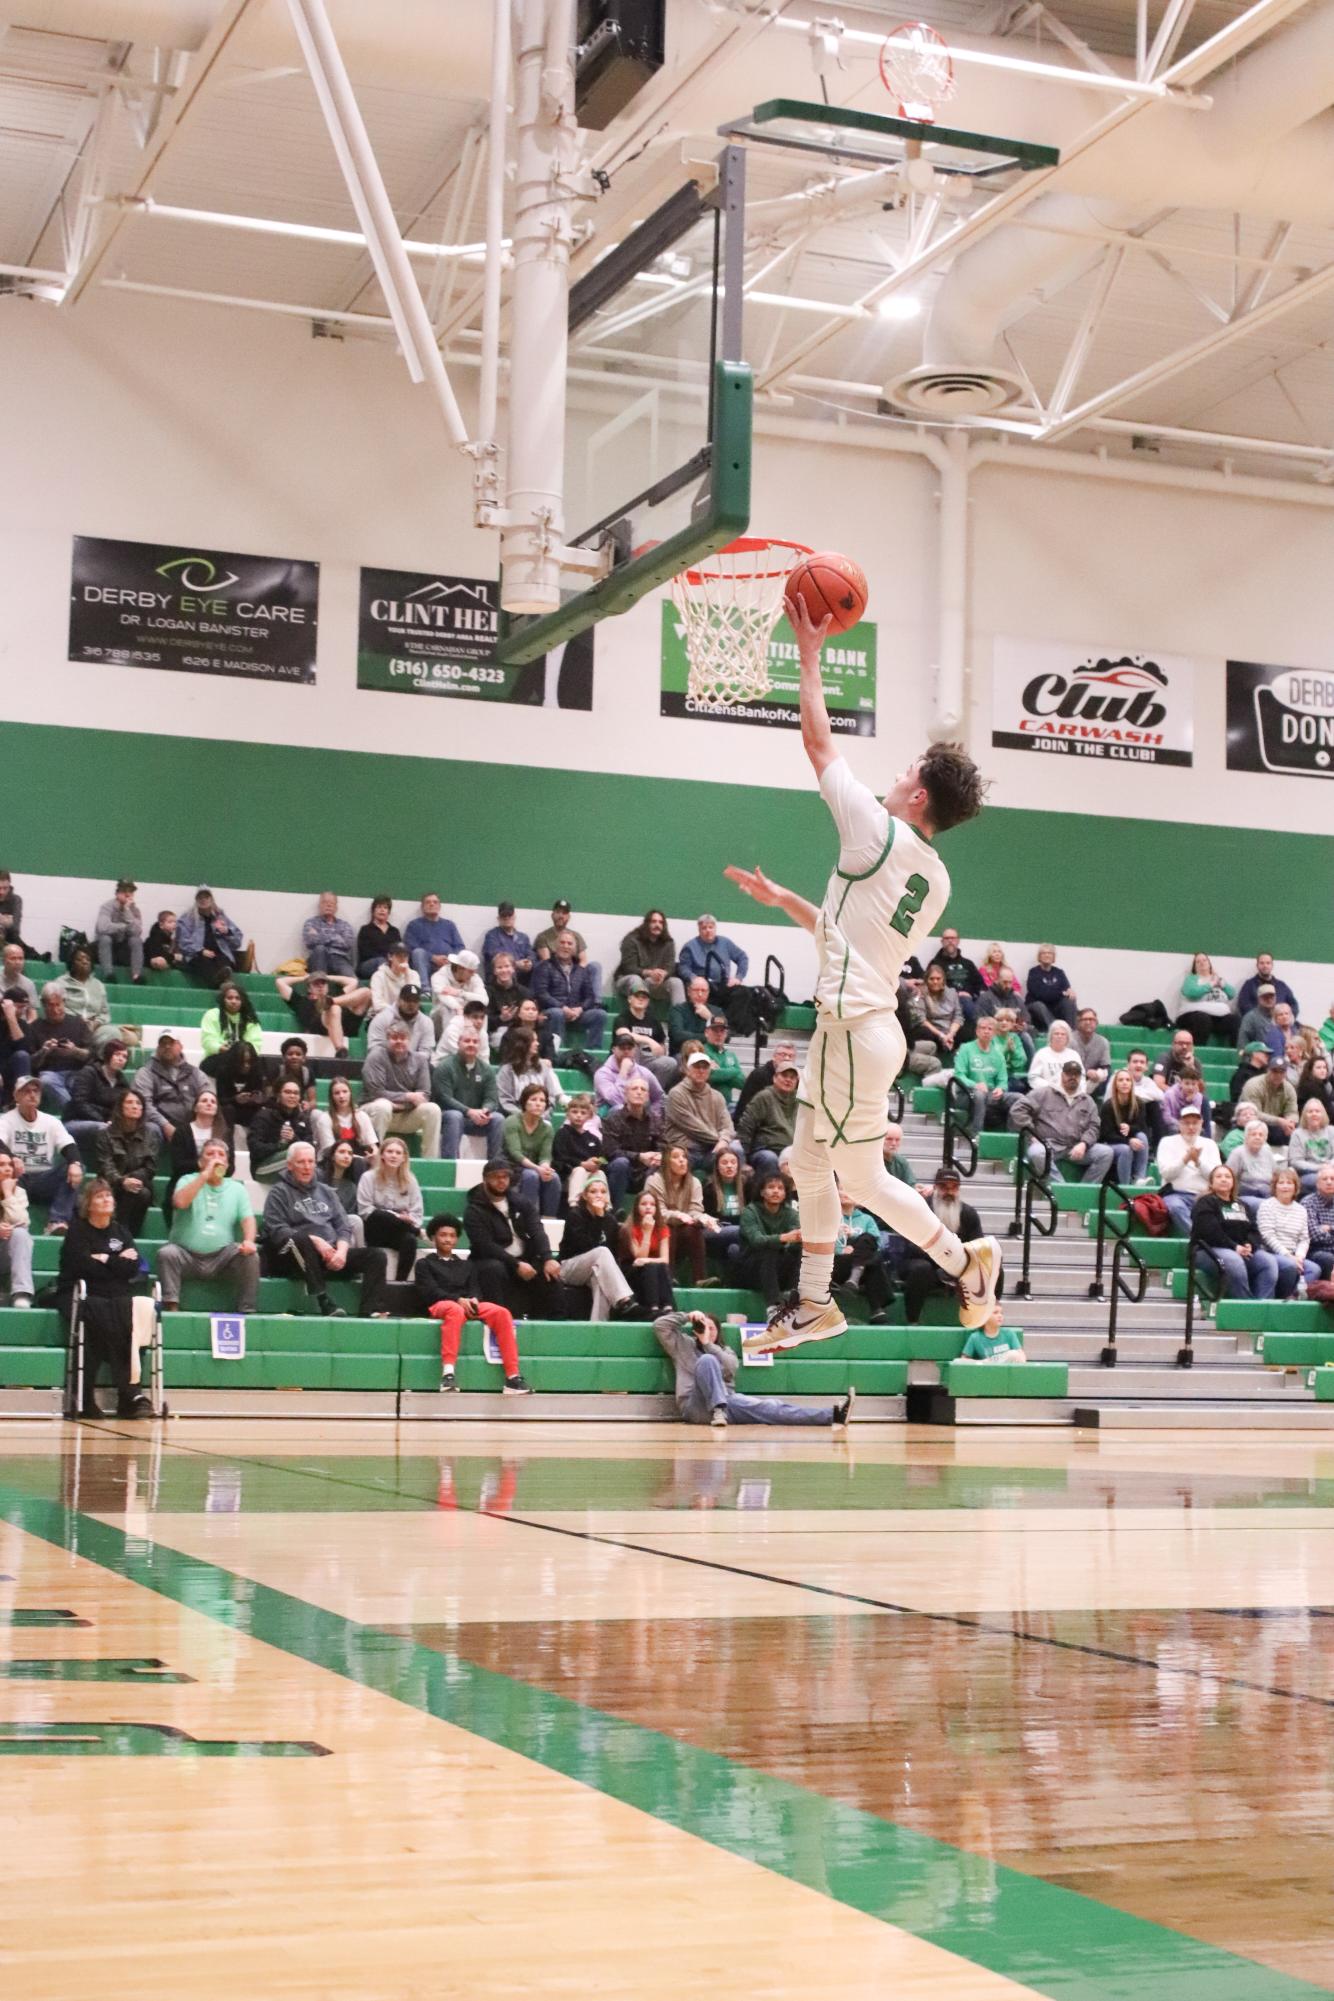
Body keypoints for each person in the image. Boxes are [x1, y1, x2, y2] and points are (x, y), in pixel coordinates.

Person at [723, 597, 994, 1353]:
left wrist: (808, 652)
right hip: (861, 1028)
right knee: (809, 1161)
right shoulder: (933, 878)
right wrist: (788, 902)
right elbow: (853, 940)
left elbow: (817, 743)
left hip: (854, 1034)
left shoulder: (875, 828)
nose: (894, 773)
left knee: (860, 1181)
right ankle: (815, 1302)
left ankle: (961, 1262)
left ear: (917, 794)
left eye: (906, 767)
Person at [654, 1309, 854, 1430]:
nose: (708, 1331)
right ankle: (718, 1411)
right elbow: (660, 1326)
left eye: (712, 1328)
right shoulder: (684, 1345)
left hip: (728, 1405)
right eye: (704, 1326)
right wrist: (687, 1316)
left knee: (773, 1408)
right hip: (695, 1408)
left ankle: (833, 1415)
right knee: (706, 1361)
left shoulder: (725, 1351)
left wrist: (708, 1344)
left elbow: (731, 1368)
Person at [56, 1178, 155, 1418]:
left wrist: (106, 1258)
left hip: (114, 1297)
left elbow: (134, 1268)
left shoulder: (120, 1231)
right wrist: (117, 1261)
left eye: (109, 1195)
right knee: (101, 1319)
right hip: (80, 1293)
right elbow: (83, 1268)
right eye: (99, 1196)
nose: (106, 1199)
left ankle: (128, 1398)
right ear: (88, 1204)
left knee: (130, 1318)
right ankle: (107, 1395)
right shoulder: (78, 1231)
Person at [261, 1141, 390, 1316]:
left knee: (376, 1256)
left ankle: (370, 1311)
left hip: (329, 1256)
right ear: (290, 1165)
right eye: (301, 1162)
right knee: (301, 1239)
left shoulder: (326, 1191)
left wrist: (342, 1252)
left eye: (310, 1161)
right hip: (294, 1259)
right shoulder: (279, 1192)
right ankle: (324, 1301)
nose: (307, 1167)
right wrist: (316, 1241)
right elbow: (276, 1230)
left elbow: (343, 1225)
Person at [414, 1214, 531, 1394]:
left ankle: (512, 1377)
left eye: (452, 1235)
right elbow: (430, 1292)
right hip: (440, 1304)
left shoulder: (467, 1265)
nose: (447, 1239)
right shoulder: (424, 1264)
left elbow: (474, 1288)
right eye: (443, 1235)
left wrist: (474, 1298)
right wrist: (457, 1300)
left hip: (466, 1304)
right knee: (455, 1310)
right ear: (433, 1237)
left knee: (501, 1312)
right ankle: (448, 1374)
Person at [158, 1138, 258, 1314]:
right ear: (200, 1162)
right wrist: (204, 1175)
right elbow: (180, 1202)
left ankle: (246, 1310)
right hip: (186, 1254)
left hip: (221, 1257)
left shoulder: (237, 1188)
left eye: (221, 1155)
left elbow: (248, 1219)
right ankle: (172, 1309)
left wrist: (249, 1241)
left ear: (227, 1164)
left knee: (251, 1256)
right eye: (210, 1154)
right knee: (167, 1253)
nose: (216, 1158)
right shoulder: (186, 1180)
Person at [462, 1157, 562, 1318]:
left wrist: (548, 1257)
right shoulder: (474, 1210)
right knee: (494, 1269)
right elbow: (485, 1245)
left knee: (550, 1274)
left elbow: (537, 1230)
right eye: (496, 1177)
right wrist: (515, 1264)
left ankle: (551, 1326)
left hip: (523, 1258)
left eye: (505, 1176)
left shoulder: (520, 1201)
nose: (501, 1181)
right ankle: (500, 1321)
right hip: (491, 1260)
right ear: (485, 1179)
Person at [1192, 1161, 1293, 1300]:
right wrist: (1234, 1247)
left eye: (1227, 1176)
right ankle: (1246, 1306)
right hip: (1207, 1251)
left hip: (1241, 1250)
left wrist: (1249, 1244)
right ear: (1211, 1182)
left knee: (1268, 1262)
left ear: (1233, 1182)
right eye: (1219, 1176)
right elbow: (1210, 1231)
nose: (1223, 1179)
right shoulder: (1205, 1202)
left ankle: (1262, 1307)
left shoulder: (1242, 1205)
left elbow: (1253, 1230)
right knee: (1234, 1261)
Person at [896, 1167, 984, 1324]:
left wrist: (959, 1265)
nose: (949, 1192)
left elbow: (977, 1246)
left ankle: (986, 1319)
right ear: (935, 1187)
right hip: (924, 1262)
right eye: (944, 1187)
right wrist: (944, 1259)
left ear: (959, 1189)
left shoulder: (968, 1213)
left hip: (958, 1267)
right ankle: (913, 1320)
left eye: (953, 1187)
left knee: (992, 1269)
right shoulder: (920, 1208)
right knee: (920, 1269)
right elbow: (911, 1246)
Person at [1010, 1060, 1113, 1182]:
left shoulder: (1088, 1101)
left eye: (1076, 1074)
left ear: (1081, 1077)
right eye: (1069, 1074)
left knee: (1106, 1153)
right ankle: (1059, 1190)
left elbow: (1094, 1127)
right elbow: (1017, 1110)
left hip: (1076, 1146)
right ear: (1062, 1075)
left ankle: (1085, 1190)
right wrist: (1032, 1135)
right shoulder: (1043, 1093)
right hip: (1048, 1145)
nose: (1073, 1077)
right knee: (1037, 1152)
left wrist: (1084, 1143)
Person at [0, 1075, 81, 1230]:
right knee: (3, 1169)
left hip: (44, 1179)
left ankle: (57, 1221)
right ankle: (11, 1222)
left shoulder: (51, 1121)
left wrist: (74, 1163)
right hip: (17, 1178)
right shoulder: (6, 1120)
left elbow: (69, 1145)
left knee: (76, 1167)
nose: (32, 1094)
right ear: (16, 1095)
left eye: (36, 1091)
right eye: (27, 1091)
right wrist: (12, 1158)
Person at [559, 1177, 637, 1320]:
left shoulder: (611, 1221)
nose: (598, 1195)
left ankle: (597, 1327)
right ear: (585, 1195)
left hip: (595, 1267)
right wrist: (598, 1219)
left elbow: (612, 1256)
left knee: (601, 1282)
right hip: (569, 1267)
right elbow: (584, 1247)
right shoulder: (575, 1215)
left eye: (602, 1192)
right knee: (602, 1252)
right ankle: (624, 1299)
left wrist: (601, 1218)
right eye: (593, 1192)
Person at [361, 1023, 442, 1156]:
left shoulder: (420, 1060)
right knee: (383, 1106)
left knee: (433, 1109)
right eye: (394, 1037)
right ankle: (376, 1157)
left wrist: (399, 1104)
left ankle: (430, 1160)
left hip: (404, 1114)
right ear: (387, 1039)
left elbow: (424, 1095)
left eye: (403, 1038)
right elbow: (376, 1092)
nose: (399, 1041)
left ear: (409, 1040)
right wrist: (408, 1097)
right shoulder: (376, 1056)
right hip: (373, 1113)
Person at [355, 1135, 423, 1281]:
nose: (394, 1156)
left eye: (398, 1153)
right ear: (382, 1155)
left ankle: (401, 1281)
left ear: (404, 1157)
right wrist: (398, 1216)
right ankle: (418, 1232)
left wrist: (408, 1221)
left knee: (410, 1240)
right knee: (380, 1215)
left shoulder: (410, 1180)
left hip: (398, 1232)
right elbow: (365, 1210)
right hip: (374, 1229)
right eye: (390, 1151)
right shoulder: (368, 1177)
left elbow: (417, 1214)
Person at [645, 1144, 714, 1285]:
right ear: (666, 1162)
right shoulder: (654, 1181)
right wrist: (677, 1215)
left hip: (683, 1229)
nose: (682, 1160)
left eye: (684, 1157)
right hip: (656, 1230)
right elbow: (655, 1213)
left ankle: (700, 1279)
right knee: (667, 1229)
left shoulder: (694, 1182)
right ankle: (667, 1277)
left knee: (694, 1230)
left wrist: (702, 1218)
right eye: (676, 1157)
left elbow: (695, 1210)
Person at [432, 1024, 503, 1160]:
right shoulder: (445, 1066)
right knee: (455, 1116)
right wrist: (469, 1112)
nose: (471, 1044)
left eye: (475, 1042)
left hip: (477, 1119)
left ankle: (495, 1165)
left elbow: (492, 1098)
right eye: (467, 1041)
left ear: (480, 1045)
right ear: (458, 1043)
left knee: (498, 1119)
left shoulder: (486, 1070)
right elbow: (444, 1098)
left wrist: (485, 1111)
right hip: (448, 1118)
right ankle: (449, 1164)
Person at [161, 1086, 234, 1218]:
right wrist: (205, 1168)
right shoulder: (182, 1132)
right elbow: (178, 1165)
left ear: (217, 1108)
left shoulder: (225, 1132)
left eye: (213, 1102)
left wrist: (213, 1173)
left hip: (216, 1182)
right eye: (204, 1100)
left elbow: (230, 1167)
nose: (209, 1103)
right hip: (186, 1180)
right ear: (195, 1107)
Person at [94, 1087, 157, 1233]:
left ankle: (128, 1234)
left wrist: (131, 1180)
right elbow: (105, 1165)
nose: (135, 1106)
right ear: (120, 1107)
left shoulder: (150, 1134)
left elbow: (150, 1168)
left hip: (138, 1184)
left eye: (138, 1103)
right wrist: (122, 1181)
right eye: (129, 1102)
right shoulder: (105, 1134)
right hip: (112, 1184)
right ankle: (117, 1232)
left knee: (142, 1193)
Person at [531, 931, 607, 1050]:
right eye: (562, 942)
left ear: (574, 949)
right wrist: (563, 1007)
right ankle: (557, 1051)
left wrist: (580, 1009)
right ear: (556, 946)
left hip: (575, 1013)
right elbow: (542, 994)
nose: (565, 946)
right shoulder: (544, 966)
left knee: (600, 1015)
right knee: (557, 1013)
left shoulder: (581, 970)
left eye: (569, 943)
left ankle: (593, 1052)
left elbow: (590, 997)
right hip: (552, 1012)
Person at [662, 1050, 738, 1167]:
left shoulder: (717, 1096)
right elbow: (693, 1127)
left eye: (705, 1067)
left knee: (734, 1152)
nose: (701, 1070)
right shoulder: (676, 1094)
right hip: (686, 1149)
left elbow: (727, 1125)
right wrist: (719, 1140)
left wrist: (725, 1140)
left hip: (711, 1148)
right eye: (696, 1067)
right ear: (687, 1070)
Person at [737, 1171, 802, 1305]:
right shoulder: (750, 1211)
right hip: (751, 1270)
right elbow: (756, 1241)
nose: (776, 1191)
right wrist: (784, 1238)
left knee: (804, 1252)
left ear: (785, 1194)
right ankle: (773, 1306)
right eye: (771, 1187)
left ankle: (793, 1297)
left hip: (778, 1270)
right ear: (762, 1192)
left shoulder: (790, 1214)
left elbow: (794, 1242)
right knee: (768, 1250)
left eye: (780, 1188)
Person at [1156, 1105, 1221, 1236]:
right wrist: (1185, 1159)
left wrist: (1198, 1162)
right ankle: (1199, 1239)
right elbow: (1166, 1174)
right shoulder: (1167, 1142)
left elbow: (1216, 1177)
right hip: (1175, 1194)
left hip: (1204, 1195)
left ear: (1201, 1124)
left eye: (1195, 1123)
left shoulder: (1210, 1144)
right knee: (1175, 1207)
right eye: (1186, 1123)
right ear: (1179, 1124)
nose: (1191, 1127)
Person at [601, 1074, 662, 1211]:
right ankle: (613, 1211)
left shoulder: (655, 1120)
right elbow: (610, 1151)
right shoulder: (613, 1119)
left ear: (647, 1096)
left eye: (643, 1089)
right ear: (626, 1094)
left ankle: (654, 1213)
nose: (639, 1092)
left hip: (646, 1172)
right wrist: (639, 1156)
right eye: (634, 1088)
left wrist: (658, 1156)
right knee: (621, 1163)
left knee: (661, 1164)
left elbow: (662, 1146)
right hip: (622, 1172)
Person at [25, 984, 92, 1107]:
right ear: (44, 1005)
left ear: (64, 1003)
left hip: (76, 1071)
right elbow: (31, 1063)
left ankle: (74, 1111)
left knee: (83, 1080)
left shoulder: (78, 1022)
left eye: (58, 1005)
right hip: (50, 1073)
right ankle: (74, 1111)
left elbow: (90, 1055)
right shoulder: (34, 1027)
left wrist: (75, 1051)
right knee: (46, 1081)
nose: (55, 1010)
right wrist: (44, 1051)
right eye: (51, 1005)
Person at [832, 1189, 892, 1323]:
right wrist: (840, 1250)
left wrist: (854, 1236)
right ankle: (876, 1308)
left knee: (868, 1241)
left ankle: (854, 1278)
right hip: (836, 1263)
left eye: (849, 1188)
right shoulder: (828, 1217)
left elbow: (878, 1244)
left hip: (860, 1262)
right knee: (872, 1260)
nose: (845, 1192)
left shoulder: (867, 1219)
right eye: (841, 1188)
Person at [1257, 1166, 1320, 1294]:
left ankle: (1294, 1298)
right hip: (1271, 1253)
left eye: (1289, 1183)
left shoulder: (1301, 1209)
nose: (1285, 1186)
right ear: (1275, 1187)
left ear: (1295, 1187)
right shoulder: (1267, 1205)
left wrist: (1299, 1256)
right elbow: (1267, 1236)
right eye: (1281, 1183)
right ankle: (1282, 1298)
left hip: (1294, 1255)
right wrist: (1288, 1256)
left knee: (1314, 1269)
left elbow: (1304, 1238)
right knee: (1289, 1265)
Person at [502, 1082, 561, 1218]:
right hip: (512, 1167)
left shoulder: (547, 1128)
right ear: (524, 1102)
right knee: (531, 1176)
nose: (538, 1104)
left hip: (533, 1167)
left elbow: (545, 1156)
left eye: (542, 1100)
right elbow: (515, 1153)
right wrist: (538, 1169)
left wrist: (545, 1168)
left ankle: (549, 1218)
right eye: (533, 1099)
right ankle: (529, 1218)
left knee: (553, 1177)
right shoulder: (512, 1121)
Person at [136, 1032, 207, 1144]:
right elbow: (144, 1104)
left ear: (180, 1046)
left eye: (171, 1043)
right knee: (150, 1129)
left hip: (192, 1124)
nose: (167, 1046)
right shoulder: (146, 1072)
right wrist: (165, 1125)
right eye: (163, 1043)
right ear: (158, 1048)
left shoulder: (195, 1073)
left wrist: (200, 1124)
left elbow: (207, 1096)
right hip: (160, 1126)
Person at [737, 1059, 799, 1186]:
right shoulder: (763, 1097)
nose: (788, 1080)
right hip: (766, 1149)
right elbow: (745, 1126)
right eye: (784, 1076)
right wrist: (745, 1158)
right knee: (769, 1158)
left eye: (792, 1077)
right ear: (775, 1078)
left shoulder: (800, 1100)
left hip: (793, 1151)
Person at [65, 1038, 131, 1157]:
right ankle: (107, 1170)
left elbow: (120, 1108)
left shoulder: (122, 1082)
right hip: (76, 1121)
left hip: (105, 1123)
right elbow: (79, 1103)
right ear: (108, 1055)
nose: (121, 1059)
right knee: (105, 1129)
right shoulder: (89, 1072)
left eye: (124, 1056)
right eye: (117, 1054)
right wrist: (103, 1119)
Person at [951, 1014, 1013, 1134]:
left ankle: (1013, 1136)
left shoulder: (998, 1054)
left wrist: (1000, 1088)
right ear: (977, 1031)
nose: (986, 1031)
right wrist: (975, 1085)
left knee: (1018, 1098)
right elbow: (959, 1075)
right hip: (966, 1094)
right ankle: (976, 1134)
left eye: (990, 1029)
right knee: (979, 1095)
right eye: (983, 1028)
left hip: (990, 1094)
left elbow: (1002, 1080)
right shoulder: (966, 1049)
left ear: (994, 1033)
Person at [619, 1189, 675, 1315]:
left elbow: (665, 1259)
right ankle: (653, 1306)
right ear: (636, 1207)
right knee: (651, 1266)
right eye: (644, 1204)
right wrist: (647, 1232)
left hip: (655, 1270)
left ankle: (667, 1306)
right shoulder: (628, 1228)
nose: (648, 1207)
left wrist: (647, 1260)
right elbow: (639, 1256)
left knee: (658, 1266)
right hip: (633, 1271)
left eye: (652, 1204)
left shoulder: (662, 1228)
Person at [248, 1077, 316, 1179]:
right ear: (278, 1095)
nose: (292, 1096)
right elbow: (255, 1148)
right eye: (287, 1092)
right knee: (301, 1158)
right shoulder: (264, 1115)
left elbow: (310, 1147)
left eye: (296, 1093)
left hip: (292, 1166)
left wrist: (294, 1139)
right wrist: (279, 1145)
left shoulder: (303, 1119)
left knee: (307, 1160)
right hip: (262, 1167)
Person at [176, 887, 244, 989]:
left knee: (224, 961)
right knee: (204, 962)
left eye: (206, 897)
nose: (203, 900)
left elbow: (237, 941)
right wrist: (200, 950)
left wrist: (227, 931)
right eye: (200, 898)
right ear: (196, 901)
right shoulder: (187, 918)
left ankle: (223, 984)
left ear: (212, 899)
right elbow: (183, 942)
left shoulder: (221, 917)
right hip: (197, 955)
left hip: (220, 953)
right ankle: (224, 987)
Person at [615, 910, 684, 1005]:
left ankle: (680, 1017)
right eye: (653, 921)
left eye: (661, 922)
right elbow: (628, 968)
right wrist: (649, 973)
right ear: (646, 923)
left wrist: (663, 974)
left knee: (676, 982)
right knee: (636, 979)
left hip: (654, 983)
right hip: (628, 980)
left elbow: (670, 967)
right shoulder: (632, 939)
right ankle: (639, 1017)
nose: (657, 925)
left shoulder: (668, 942)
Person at [552, 1093, 608, 1208]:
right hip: (568, 1173)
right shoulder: (562, 1133)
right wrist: (582, 1164)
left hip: (590, 1174)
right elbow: (560, 1157)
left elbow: (603, 1158)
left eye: (583, 1113)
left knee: (600, 1173)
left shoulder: (593, 1139)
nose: (578, 1116)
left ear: (589, 1116)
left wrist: (597, 1162)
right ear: (568, 1114)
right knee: (580, 1170)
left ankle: (605, 1206)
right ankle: (575, 1205)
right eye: (574, 1112)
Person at [404, 892, 464, 991]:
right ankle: (425, 990)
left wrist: (449, 958)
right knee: (418, 952)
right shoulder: (414, 925)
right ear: (422, 907)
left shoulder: (449, 925)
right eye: (428, 902)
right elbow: (410, 947)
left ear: (439, 906)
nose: (432, 904)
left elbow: (460, 947)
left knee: (466, 956)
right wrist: (432, 957)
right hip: (426, 964)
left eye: (435, 902)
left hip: (448, 964)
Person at [1099, 1070, 1150, 1184]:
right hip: (1112, 1143)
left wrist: (1130, 1128)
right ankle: (1125, 1184)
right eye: (1120, 1080)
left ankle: (1139, 1178)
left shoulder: (1138, 1103)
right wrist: (1128, 1140)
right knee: (1125, 1149)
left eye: (1127, 1080)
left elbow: (1142, 1126)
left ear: (1132, 1083)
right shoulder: (1108, 1106)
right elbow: (1106, 1134)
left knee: (1142, 1136)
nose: (1124, 1083)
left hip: (1129, 1139)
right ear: (1115, 1084)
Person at [52, 946, 111, 1045]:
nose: (85, 962)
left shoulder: (98, 985)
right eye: (79, 959)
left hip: (93, 1026)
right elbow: (56, 1008)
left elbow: (105, 1013)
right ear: (72, 964)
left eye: (88, 959)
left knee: (112, 1033)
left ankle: (95, 1058)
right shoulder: (60, 983)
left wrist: (95, 1024)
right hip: (69, 1024)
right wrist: (77, 1022)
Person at [677, 915, 748, 994]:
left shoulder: (725, 942)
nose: (708, 930)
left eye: (711, 927)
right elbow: (683, 968)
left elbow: (742, 957)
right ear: (699, 930)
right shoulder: (689, 947)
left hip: (725, 985)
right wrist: (695, 979)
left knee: (746, 993)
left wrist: (738, 978)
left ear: (715, 928)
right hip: (702, 987)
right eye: (704, 928)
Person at [200, 981, 263, 1070]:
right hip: (218, 1057)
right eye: (229, 998)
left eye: (238, 998)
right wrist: (225, 1050)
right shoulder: (212, 1014)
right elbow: (208, 1041)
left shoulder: (250, 1019)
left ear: (243, 1001)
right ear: (223, 1000)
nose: (234, 1001)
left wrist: (242, 1054)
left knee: (263, 1065)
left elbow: (255, 1044)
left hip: (244, 1059)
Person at [1237, 1053, 1298, 1144]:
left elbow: (1292, 1111)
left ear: (1285, 1073)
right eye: (1275, 1071)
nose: (1278, 1075)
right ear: (1268, 1070)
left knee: (1297, 1132)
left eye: (1281, 1072)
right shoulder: (1254, 1085)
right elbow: (1255, 1114)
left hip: (1277, 1125)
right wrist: (1279, 1121)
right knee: (1276, 1133)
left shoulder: (1289, 1088)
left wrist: (1290, 1123)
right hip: (1252, 1122)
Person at [1176, 953, 1236, 1044]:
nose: (1202, 963)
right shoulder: (1191, 979)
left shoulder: (1218, 979)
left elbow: (1232, 994)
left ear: (1209, 963)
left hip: (1217, 1017)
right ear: (1194, 967)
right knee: (1203, 1019)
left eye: (1204, 960)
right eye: (1198, 962)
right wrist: (1210, 985)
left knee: (1235, 1020)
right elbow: (1191, 993)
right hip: (1194, 1016)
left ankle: (1235, 1054)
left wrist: (1223, 985)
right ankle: (1199, 1052)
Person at [0, 1148, 34, 1306]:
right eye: (1, 1164)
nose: (8, 1168)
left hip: (4, 1254)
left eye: (9, 1165)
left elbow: (22, 1221)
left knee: (20, 1234)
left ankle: (21, 1293)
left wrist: (7, 1194)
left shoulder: (19, 1192)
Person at [929, 928, 981, 1024]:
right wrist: (955, 994)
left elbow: (980, 985)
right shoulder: (935, 964)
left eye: (952, 938)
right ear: (942, 941)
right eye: (947, 938)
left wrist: (969, 993)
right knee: (964, 1000)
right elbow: (931, 986)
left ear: (958, 941)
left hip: (970, 999)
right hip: (946, 1001)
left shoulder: (968, 963)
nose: (950, 941)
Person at [94, 880, 144, 982]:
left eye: (131, 892)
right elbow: (102, 927)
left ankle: (136, 976)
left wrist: (127, 911)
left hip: (124, 948)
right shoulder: (107, 907)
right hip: (109, 944)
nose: (128, 894)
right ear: (117, 893)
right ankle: (108, 974)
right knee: (105, 938)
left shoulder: (134, 909)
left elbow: (137, 932)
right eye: (124, 891)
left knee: (136, 940)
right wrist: (123, 926)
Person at [486, 952, 533, 1051]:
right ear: (494, 971)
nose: (504, 970)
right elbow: (484, 1019)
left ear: (513, 969)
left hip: (520, 1029)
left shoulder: (524, 992)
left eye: (507, 966)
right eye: (499, 967)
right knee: (502, 1037)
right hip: (497, 1031)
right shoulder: (487, 991)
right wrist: (501, 1018)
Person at [1230, 1120, 1282, 1210]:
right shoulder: (1238, 1153)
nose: (1257, 1137)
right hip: (1246, 1194)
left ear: (1265, 1138)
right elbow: (1230, 1176)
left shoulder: (1267, 1152)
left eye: (1261, 1135)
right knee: (1265, 1206)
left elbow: (1276, 1174)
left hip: (1267, 1194)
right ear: (1246, 1137)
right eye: (1253, 1134)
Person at [302, 892, 356, 977]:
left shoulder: (344, 925)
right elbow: (310, 941)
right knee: (320, 949)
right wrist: (336, 937)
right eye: (325, 902)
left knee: (354, 982)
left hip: (339, 959)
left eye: (332, 903)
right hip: (319, 960)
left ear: (336, 907)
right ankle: (320, 982)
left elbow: (348, 943)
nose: (328, 905)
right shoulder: (311, 922)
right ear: (319, 906)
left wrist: (321, 937)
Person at [1025, 945, 1077, 1032]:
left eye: (1049, 953)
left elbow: (1067, 990)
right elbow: (1040, 994)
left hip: (1055, 1007)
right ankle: (1056, 1030)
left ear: (1053, 957)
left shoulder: (1059, 973)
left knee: (1069, 1002)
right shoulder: (1033, 972)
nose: (1047, 955)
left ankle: (1070, 1032)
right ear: (1039, 956)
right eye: (1044, 953)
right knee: (1039, 1006)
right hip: (1037, 1007)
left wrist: (1069, 992)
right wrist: (1060, 993)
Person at [1289, 1097, 1334, 1194]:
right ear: (1305, 1115)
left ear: (1323, 1114)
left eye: (1317, 1111)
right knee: (1322, 1181)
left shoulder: (1331, 1131)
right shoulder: (1297, 1134)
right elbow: (1296, 1161)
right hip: (1309, 1174)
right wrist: (1319, 1168)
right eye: (1310, 1112)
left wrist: (1330, 1166)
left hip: (1331, 1170)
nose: (1314, 1114)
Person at [1237, 952, 1299, 1022]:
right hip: (1258, 1024)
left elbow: (1294, 1005)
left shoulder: (1282, 986)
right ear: (1257, 965)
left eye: (1268, 963)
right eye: (1262, 963)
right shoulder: (1249, 985)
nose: (1265, 966)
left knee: (1307, 1031)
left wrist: (1287, 1017)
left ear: (1272, 965)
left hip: (1282, 1023)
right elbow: (1243, 1006)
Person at [1027, 1021, 1084, 1094]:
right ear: (1051, 1036)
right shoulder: (1041, 1054)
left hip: (1070, 1094)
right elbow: (1033, 1078)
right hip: (1047, 1094)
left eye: (1063, 1034)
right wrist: (1052, 1088)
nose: (1059, 1036)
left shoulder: (1074, 1055)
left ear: (1067, 1038)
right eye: (1056, 1034)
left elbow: (1081, 1078)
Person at [482, 903, 534, 980]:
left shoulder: (523, 937)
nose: (507, 918)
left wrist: (529, 962)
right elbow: (495, 956)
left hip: (522, 982)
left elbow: (531, 954)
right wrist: (515, 964)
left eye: (509, 915)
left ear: (514, 917)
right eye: (503, 916)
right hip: (499, 981)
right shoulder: (492, 936)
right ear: (498, 919)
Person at [1160, 1066, 1212, 1140]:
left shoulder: (1198, 1097)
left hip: (1190, 1126)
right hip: (1173, 1126)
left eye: (1193, 1084)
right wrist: (1182, 1125)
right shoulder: (1169, 1094)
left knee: (1202, 1133)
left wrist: (1190, 1102)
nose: (1190, 1087)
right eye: (1187, 1083)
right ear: (1180, 1083)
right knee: (1174, 1131)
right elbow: (1167, 1118)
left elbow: (1195, 1117)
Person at [669, 975, 717, 1054]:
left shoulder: (716, 1011)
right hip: (683, 1054)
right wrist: (710, 1037)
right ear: (688, 992)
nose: (700, 994)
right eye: (696, 990)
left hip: (710, 1054)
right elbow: (678, 1035)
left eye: (703, 990)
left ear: (708, 993)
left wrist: (710, 1018)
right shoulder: (677, 1010)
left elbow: (726, 1036)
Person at [961, 1305, 1026, 1362]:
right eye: (995, 1313)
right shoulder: (975, 1337)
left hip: (1006, 1372)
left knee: (1013, 1354)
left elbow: (1021, 1357)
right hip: (987, 1371)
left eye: (1001, 1313)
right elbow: (963, 1360)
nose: (1000, 1316)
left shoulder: (1009, 1333)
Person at [1303, 1162, 1334, 1279]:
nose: (1329, 1182)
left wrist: (1330, 1228)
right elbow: (1314, 1235)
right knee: (1328, 1258)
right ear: (1317, 1184)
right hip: (1316, 1251)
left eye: (1332, 1179)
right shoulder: (1308, 1202)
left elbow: (1321, 1232)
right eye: (1325, 1179)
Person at [357, 896, 401, 978]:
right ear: (373, 911)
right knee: (381, 961)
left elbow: (399, 951)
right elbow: (365, 952)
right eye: (379, 907)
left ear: (389, 912)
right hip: (368, 965)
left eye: (385, 907)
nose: (382, 910)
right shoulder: (365, 929)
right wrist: (387, 958)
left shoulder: (394, 931)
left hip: (391, 964)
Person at [1236, 983, 1284, 1057]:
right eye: (1265, 997)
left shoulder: (1281, 1015)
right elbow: (1242, 1044)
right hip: (1260, 1060)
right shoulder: (1250, 1018)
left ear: (1275, 998)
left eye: (1271, 996)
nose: (1269, 999)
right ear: (1259, 998)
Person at [0, 872, 39, 959]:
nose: (1, 892)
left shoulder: (15, 900)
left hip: (10, 940)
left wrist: (8, 924)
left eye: (5, 888)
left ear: (9, 886)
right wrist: (6, 921)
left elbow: (16, 929)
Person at [1071, 1008, 1111, 1093]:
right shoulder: (1070, 1039)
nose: (1088, 1022)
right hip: (1072, 1075)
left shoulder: (1103, 1042)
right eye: (1085, 1019)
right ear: (1078, 1022)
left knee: (1107, 1075)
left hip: (1092, 1080)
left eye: (1091, 1019)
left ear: (1096, 1023)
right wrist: (1084, 1072)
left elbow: (1105, 1066)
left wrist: (1097, 1073)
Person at [370, 942, 415, 1015]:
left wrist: (407, 976)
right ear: (390, 957)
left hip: (405, 1016)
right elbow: (377, 1005)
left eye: (405, 956)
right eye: (399, 956)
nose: (403, 959)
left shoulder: (413, 975)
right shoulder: (378, 976)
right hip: (382, 1016)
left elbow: (413, 1000)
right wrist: (398, 1011)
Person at [1, 944, 37, 1016]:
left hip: (22, 1025)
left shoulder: (29, 984)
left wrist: (27, 1027)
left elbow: (32, 1015)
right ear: (3, 961)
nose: (18, 962)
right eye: (13, 958)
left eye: (21, 958)